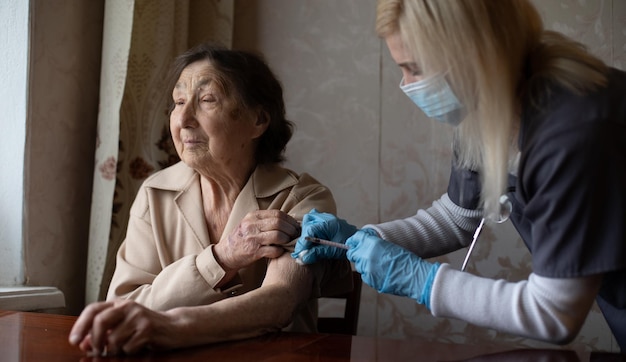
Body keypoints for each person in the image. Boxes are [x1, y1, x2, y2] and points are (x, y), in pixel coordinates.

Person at [293, 0, 625, 352]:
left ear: (475, 53)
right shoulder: (489, 110)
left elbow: (554, 314)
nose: (406, 85)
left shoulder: (573, 132)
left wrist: (421, 280)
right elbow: (456, 218)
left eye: (415, 68)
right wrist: (358, 240)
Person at [69, 43, 352, 356]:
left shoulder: (303, 198)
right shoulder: (154, 193)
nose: (183, 118)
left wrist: (169, 326)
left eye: (206, 100)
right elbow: (123, 308)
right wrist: (221, 258)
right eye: (178, 102)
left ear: (258, 119)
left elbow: (280, 300)